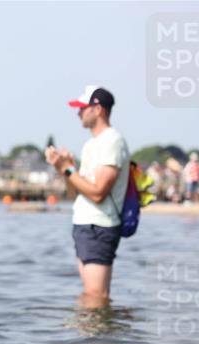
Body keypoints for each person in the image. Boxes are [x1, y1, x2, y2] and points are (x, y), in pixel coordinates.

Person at [45, 85, 129, 307]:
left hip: (99, 225)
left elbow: (98, 192)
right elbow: (76, 192)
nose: (78, 113)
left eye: (83, 108)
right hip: (86, 224)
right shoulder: (91, 144)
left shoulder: (112, 141)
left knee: (95, 295)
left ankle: (97, 331)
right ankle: (94, 330)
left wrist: (66, 168)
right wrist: (66, 168)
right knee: (91, 295)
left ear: (98, 109)